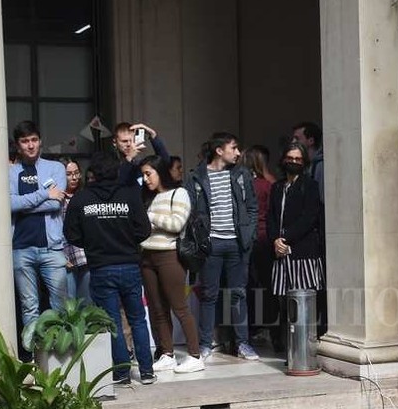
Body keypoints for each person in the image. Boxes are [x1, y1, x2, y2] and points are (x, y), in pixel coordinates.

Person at [65, 153, 155, 386]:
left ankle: (122, 374)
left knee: (112, 322)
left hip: (101, 267)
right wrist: (126, 241)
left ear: (92, 174)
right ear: (116, 172)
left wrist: (94, 243)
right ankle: (146, 371)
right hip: (129, 264)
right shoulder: (130, 195)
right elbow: (144, 230)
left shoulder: (81, 199)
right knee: (137, 319)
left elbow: (71, 234)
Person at [184, 133, 260, 362]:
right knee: (209, 295)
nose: (238, 153)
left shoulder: (241, 174)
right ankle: (206, 344)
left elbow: (252, 207)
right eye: (234, 148)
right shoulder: (197, 177)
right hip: (211, 243)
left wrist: (249, 233)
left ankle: (243, 343)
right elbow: (191, 211)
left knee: (238, 294)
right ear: (219, 150)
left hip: (237, 244)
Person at [138, 155, 204, 374]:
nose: (146, 179)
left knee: (180, 308)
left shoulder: (180, 193)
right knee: (158, 310)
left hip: (170, 256)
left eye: (149, 173)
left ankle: (195, 355)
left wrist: (150, 217)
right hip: (147, 256)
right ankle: (167, 353)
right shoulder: (148, 197)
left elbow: (176, 224)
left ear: (160, 172)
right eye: (143, 175)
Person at [8, 120, 70, 347]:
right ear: (18, 145)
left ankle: (61, 353)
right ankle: (36, 358)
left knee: (60, 304)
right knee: (29, 306)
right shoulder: (11, 172)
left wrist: (25, 203)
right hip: (20, 248)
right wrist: (44, 194)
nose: (30, 145)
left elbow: (57, 204)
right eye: (25, 141)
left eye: (34, 140)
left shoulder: (55, 168)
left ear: (40, 141)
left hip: (51, 248)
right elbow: (9, 205)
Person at [267, 140, 326, 346]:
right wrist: (275, 240)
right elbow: (271, 217)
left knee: (305, 303)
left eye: (298, 159)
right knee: (285, 303)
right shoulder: (277, 187)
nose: (294, 162)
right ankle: (290, 347)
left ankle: (306, 345)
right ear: (283, 160)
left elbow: (309, 217)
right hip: (281, 254)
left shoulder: (310, 186)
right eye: (290, 158)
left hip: (304, 252)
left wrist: (286, 238)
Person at [244, 144, 277, 340]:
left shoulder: (242, 186)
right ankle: (272, 330)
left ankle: (249, 329)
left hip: (247, 239)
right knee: (268, 285)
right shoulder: (267, 185)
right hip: (264, 238)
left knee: (247, 285)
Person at [60, 159, 89, 303]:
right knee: (69, 305)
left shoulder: (85, 195)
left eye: (77, 173)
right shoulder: (57, 199)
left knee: (87, 303)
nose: (74, 177)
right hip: (64, 257)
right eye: (69, 174)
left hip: (85, 256)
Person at [291, 121, 324, 203]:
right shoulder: (304, 166)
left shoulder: (321, 166)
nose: (293, 142)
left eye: (297, 138)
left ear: (311, 141)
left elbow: (321, 199)